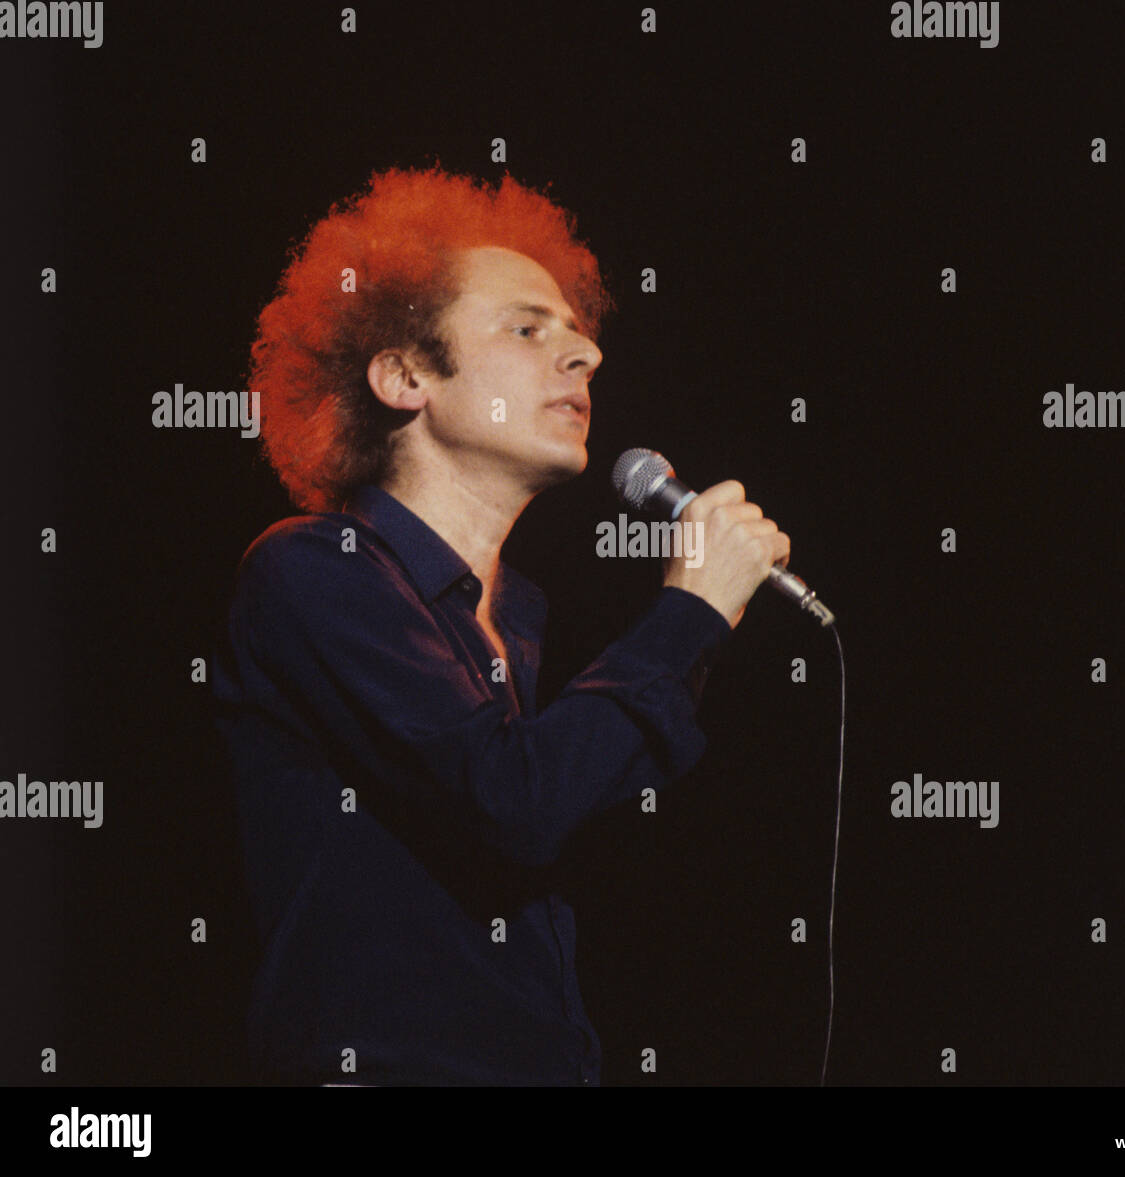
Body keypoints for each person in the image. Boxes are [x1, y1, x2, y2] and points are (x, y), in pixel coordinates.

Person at [212, 165, 790, 1085]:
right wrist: (689, 608)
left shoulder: (517, 612)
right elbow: (510, 803)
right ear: (406, 376)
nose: (586, 355)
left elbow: (562, 804)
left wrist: (699, 628)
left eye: (577, 330)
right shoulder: (313, 567)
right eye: (528, 328)